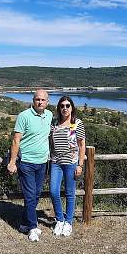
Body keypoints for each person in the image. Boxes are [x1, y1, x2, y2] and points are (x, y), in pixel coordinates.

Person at [7, 89, 53, 242]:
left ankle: (24, 224)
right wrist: (12, 162)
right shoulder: (24, 116)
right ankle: (33, 227)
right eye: (37, 99)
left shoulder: (49, 115)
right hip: (26, 162)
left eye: (43, 100)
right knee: (30, 194)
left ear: (47, 102)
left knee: (36, 194)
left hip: (42, 162)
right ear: (33, 100)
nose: (40, 102)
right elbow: (16, 140)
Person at [49, 96, 86, 237]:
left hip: (71, 163)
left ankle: (68, 222)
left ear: (72, 108)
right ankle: (60, 219)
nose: (65, 108)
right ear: (59, 108)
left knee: (70, 193)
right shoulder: (54, 123)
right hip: (56, 162)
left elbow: (82, 145)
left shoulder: (77, 123)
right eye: (62, 106)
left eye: (67, 105)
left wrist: (80, 165)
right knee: (53, 191)